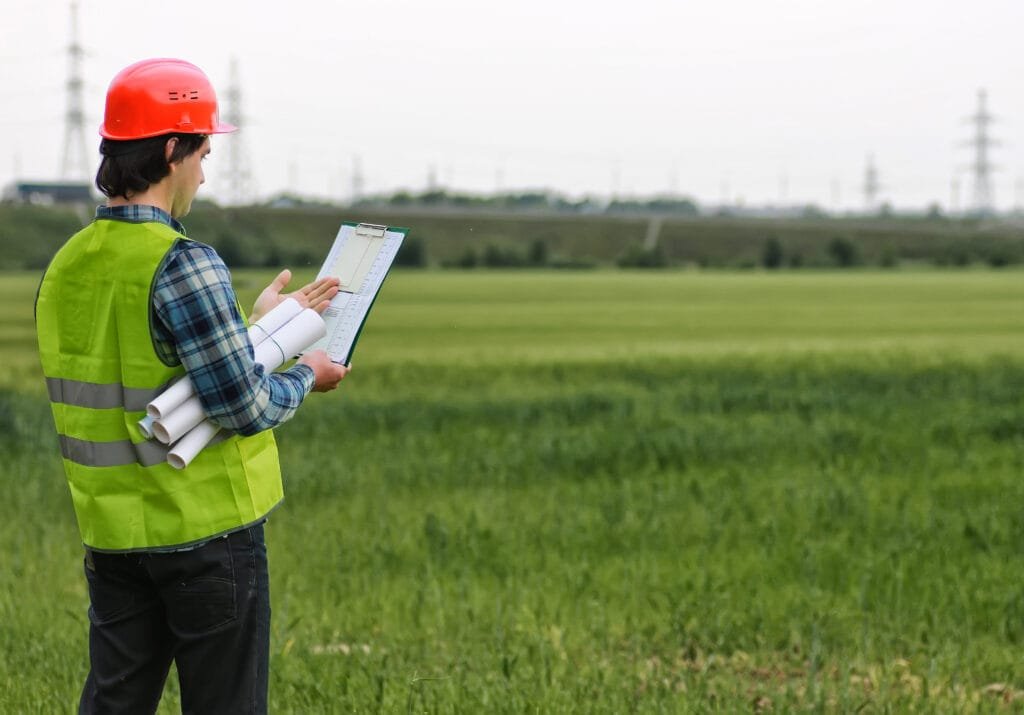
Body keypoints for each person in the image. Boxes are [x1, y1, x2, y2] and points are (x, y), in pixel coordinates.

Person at [35, 58, 349, 714]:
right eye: (203, 153)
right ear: (173, 149)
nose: (204, 173)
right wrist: (304, 374)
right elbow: (241, 403)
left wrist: (254, 325)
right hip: (207, 540)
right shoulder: (183, 260)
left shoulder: (65, 265)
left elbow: (143, 363)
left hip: (115, 539)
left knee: (115, 703)